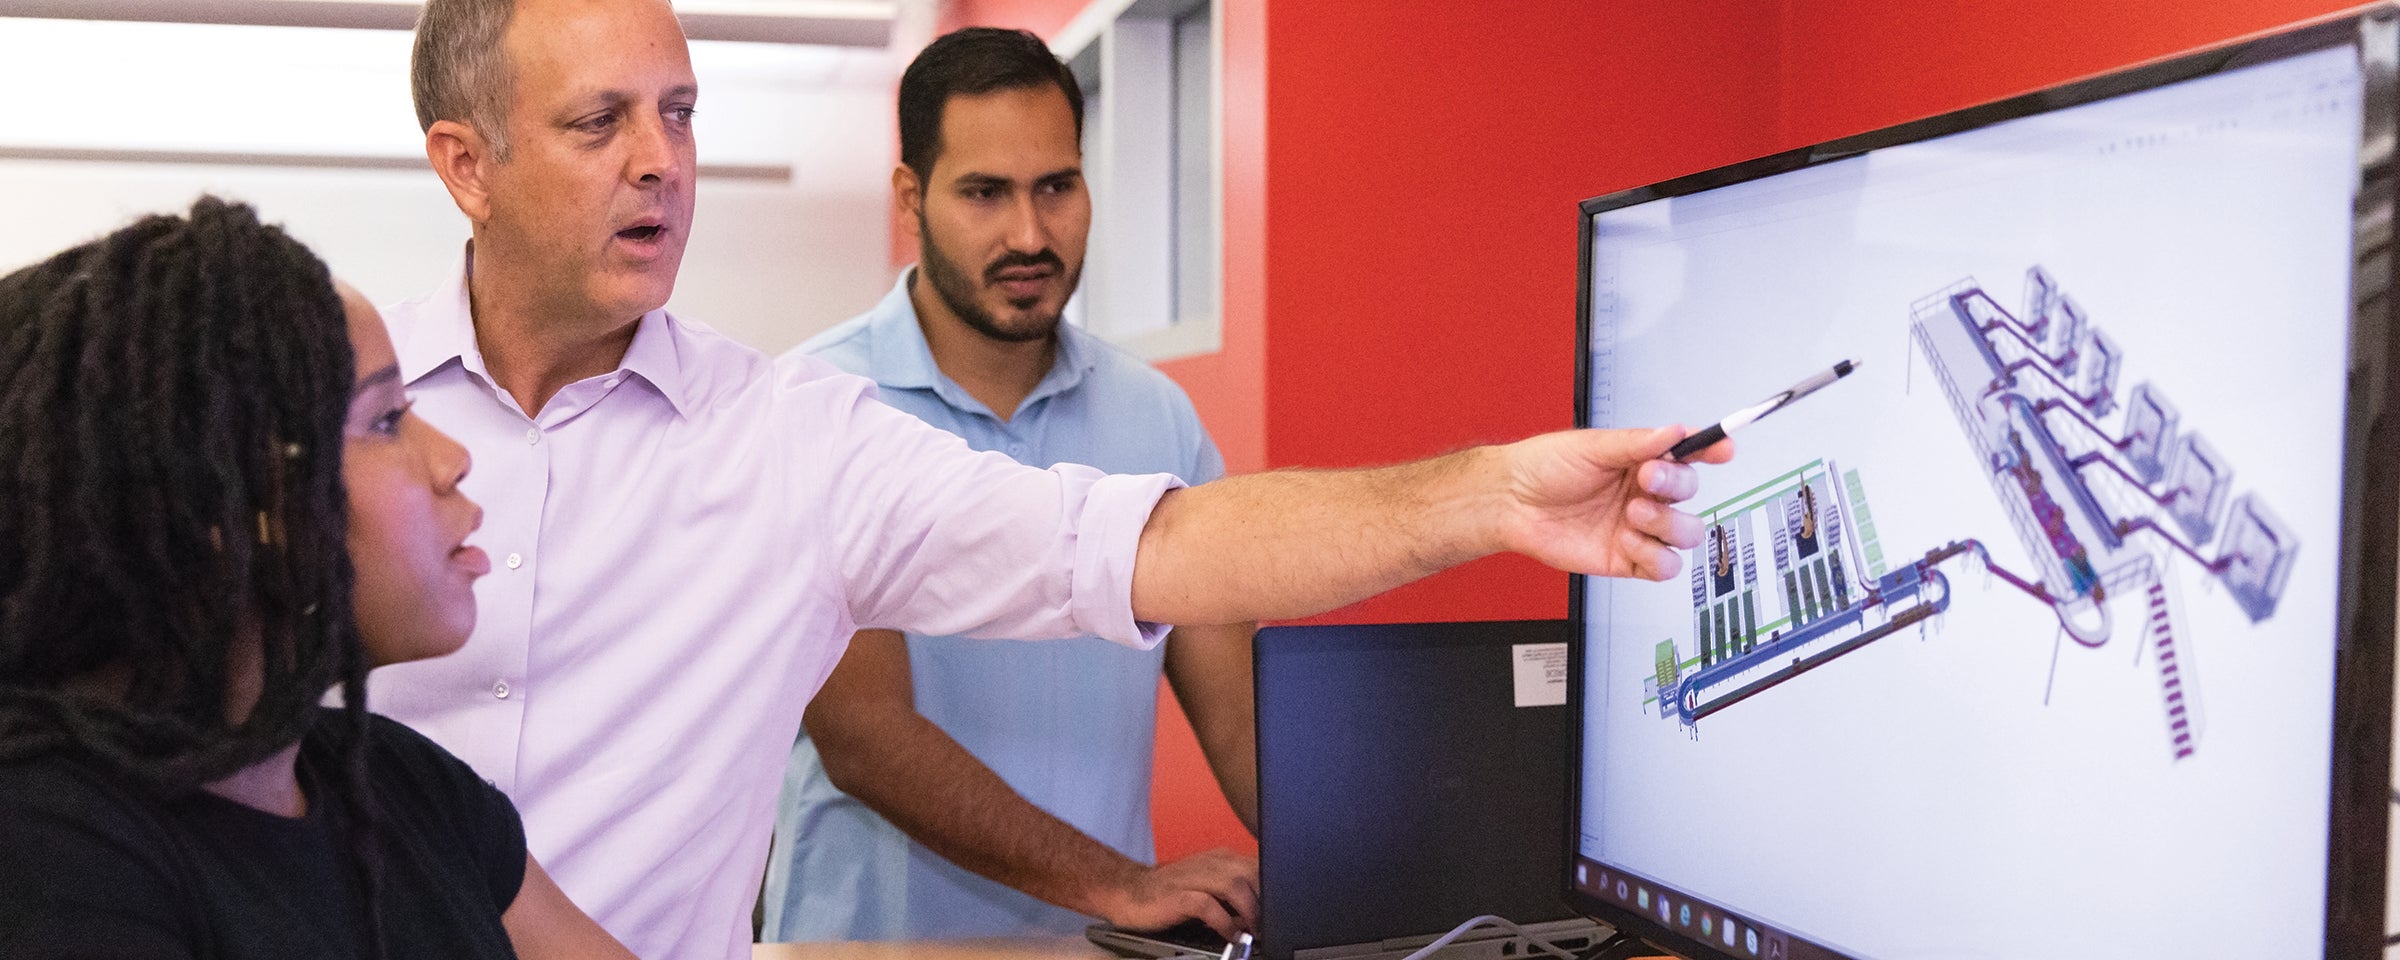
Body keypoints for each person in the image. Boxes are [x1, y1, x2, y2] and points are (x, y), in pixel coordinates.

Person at [376, 0, 1729, 956]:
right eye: (599, 120)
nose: (661, 159)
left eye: (676, 112)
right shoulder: (334, 431)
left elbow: (1153, 546)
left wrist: (1483, 495)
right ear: (465, 164)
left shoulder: (791, 438)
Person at [0, 197, 634, 960]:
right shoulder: (49, 845)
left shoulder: (403, 786)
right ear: (220, 500)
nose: (453, 460)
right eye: (385, 421)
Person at [763, 28, 1260, 942]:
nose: (1029, 234)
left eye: (1057, 188)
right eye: (985, 193)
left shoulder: (1160, 421)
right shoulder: (817, 404)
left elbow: (1241, 727)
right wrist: (1120, 884)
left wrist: (1410, 874)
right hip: (869, 944)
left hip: (1098, 948)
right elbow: (865, 736)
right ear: (912, 198)